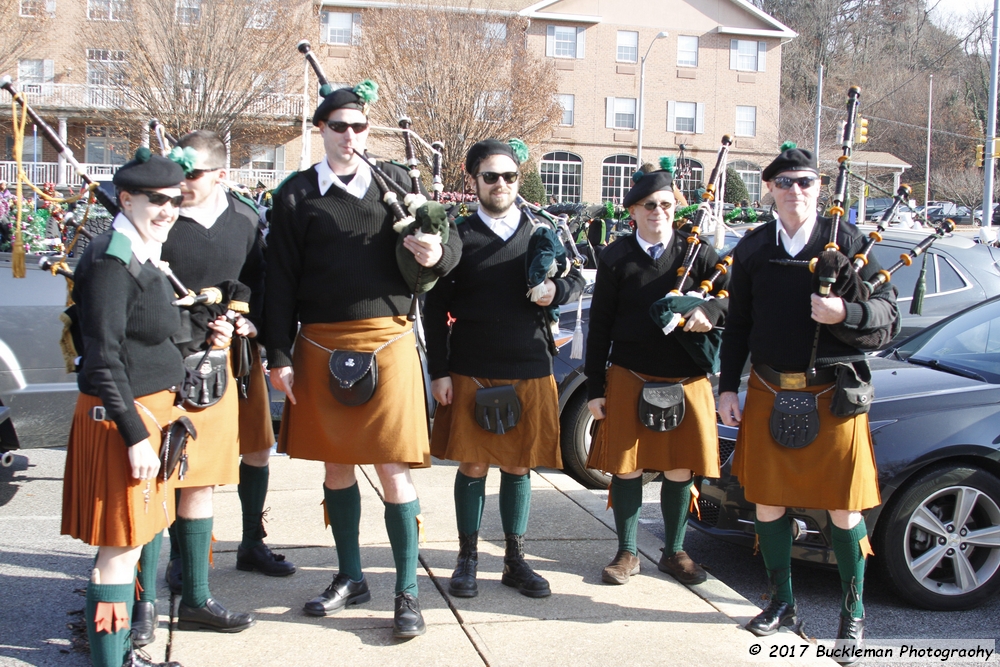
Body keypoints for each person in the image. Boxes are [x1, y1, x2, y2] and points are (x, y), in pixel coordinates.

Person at [265, 81, 461, 638]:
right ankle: (351, 576)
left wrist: (437, 252)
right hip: (321, 339)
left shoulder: (396, 184)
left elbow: (450, 246)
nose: (350, 136)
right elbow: (279, 279)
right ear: (320, 130)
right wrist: (278, 352)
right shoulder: (297, 195)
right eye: (338, 126)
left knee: (392, 468)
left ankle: (407, 591)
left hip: (389, 337)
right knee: (336, 465)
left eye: (358, 127)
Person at [717, 144, 898, 660]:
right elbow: (740, 328)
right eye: (785, 183)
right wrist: (729, 386)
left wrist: (845, 314)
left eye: (806, 182)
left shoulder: (851, 243)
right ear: (770, 190)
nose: (796, 191)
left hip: (832, 397)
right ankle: (782, 603)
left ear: (819, 189)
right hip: (771, 390)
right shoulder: (752, 249)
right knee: (769, 503)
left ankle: (853, 614)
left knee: (842, 511)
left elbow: (889, 315)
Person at [425, 139, 585, 600]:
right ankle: (467, 557)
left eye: (509, 176)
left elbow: (576, 276)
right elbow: (434, 310)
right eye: (491, 176)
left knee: (519, 466)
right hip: (473, 365)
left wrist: (557, 289)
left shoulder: (543, 231)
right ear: (473, 179)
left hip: (530, 362)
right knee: (473, 465)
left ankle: (515, 560)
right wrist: (439, 371)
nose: (501, 184)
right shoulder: (457, 236)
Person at [60, 147, 186, 667]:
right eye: (155, 200)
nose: (167, 209)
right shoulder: (114, 260)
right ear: (126, 198)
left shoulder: (137, 248)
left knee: (129, 543)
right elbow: (103, 357)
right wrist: (134, 433)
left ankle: (116, 656)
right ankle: (112, 662)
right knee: (119, 551)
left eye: (175, 200)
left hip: (144, 415)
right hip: (124, 422)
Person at [584, 161, 726, 587]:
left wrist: (709, 310)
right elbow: (600, 326)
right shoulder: (615, 257)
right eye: (649, 205)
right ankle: (627, 551)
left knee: (681, 469)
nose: (658, 211)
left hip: (685, 377)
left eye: (666, 204)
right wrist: (595, 386)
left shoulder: (697, 251)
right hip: (630, 373)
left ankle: (675, 551)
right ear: (633, 211)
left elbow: (730, 297)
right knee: (626, 468)